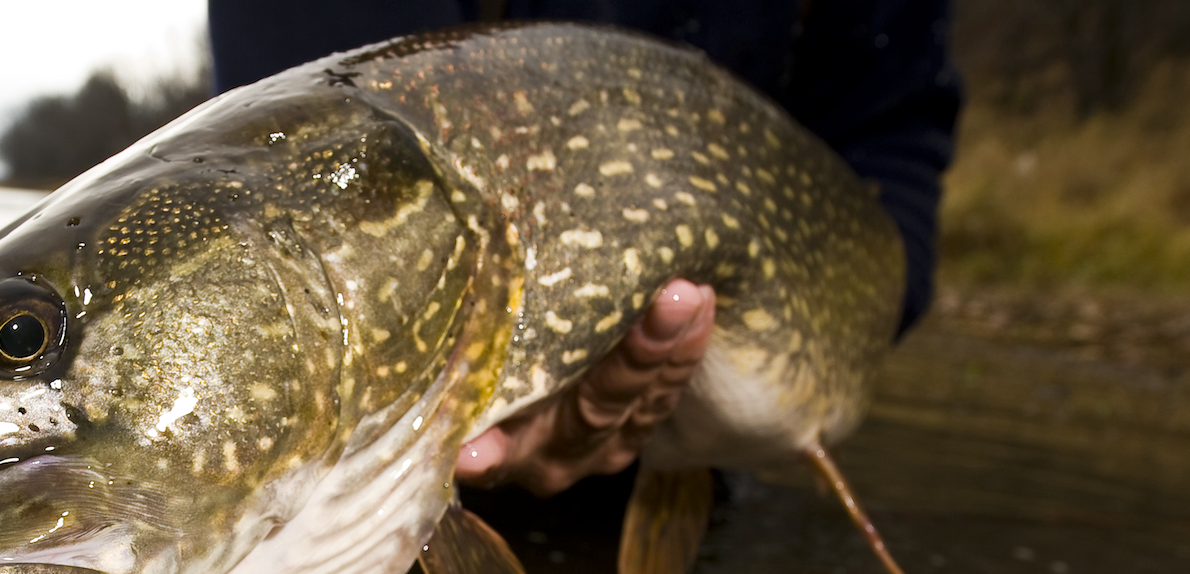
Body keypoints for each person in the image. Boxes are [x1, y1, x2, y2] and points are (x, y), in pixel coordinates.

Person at [209, 0, 962, 494]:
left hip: (711, 421)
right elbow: (284, 144)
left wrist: (872, 309)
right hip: (381, 471)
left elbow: (892, 127)